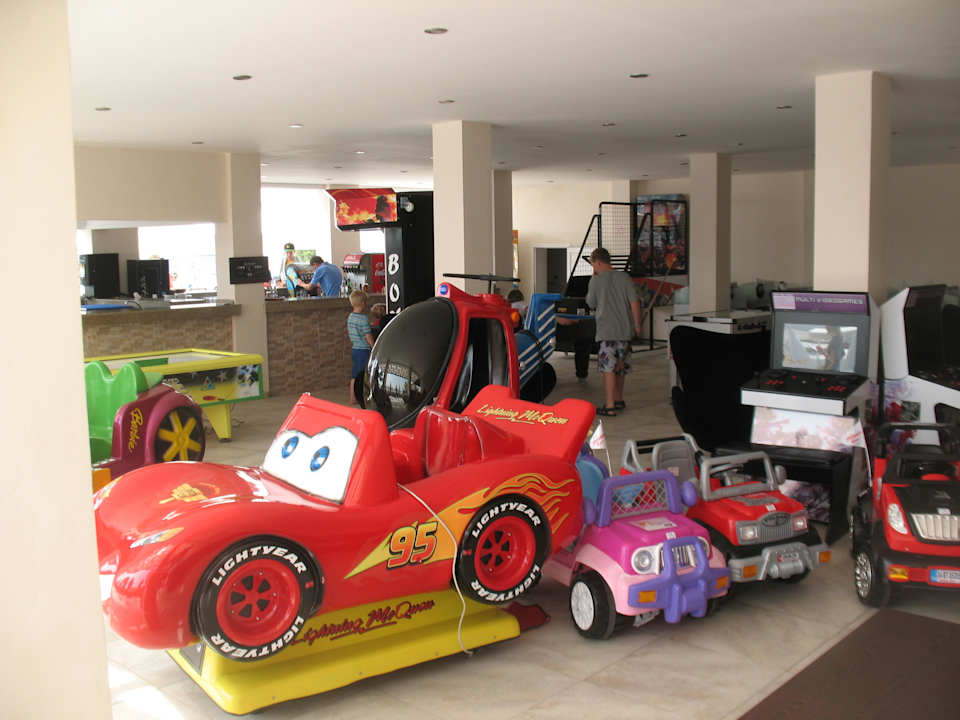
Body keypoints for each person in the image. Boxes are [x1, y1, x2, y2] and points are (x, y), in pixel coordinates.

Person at [585, 247, 642, 416]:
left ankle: (609, 405)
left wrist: (592, 280)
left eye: (593, 265)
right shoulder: (624, 277)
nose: (594, 268)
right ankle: (618, 399)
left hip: (606, 331)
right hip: (625, 330)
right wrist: (637, 325)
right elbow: (634, 302)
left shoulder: (595, 281)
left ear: (598, 262)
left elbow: (591, 303)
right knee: (621, 365)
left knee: (608, 367)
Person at [347, 290, 374, 404]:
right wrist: (374, 347)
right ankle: (356, 397)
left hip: (355, 349)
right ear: (363, 303)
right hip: (363, 350)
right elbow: (368, 336)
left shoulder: (351, 317)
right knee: (363, 375)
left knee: (355, 375)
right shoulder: (363, 319)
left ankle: (352, 397)